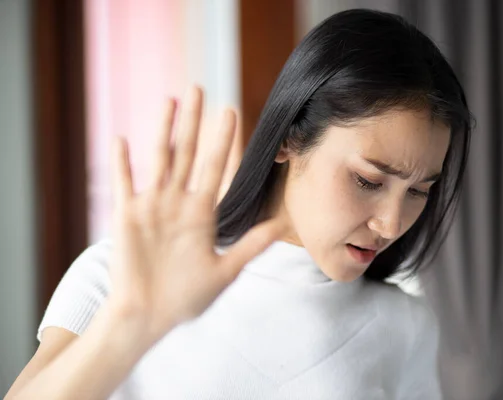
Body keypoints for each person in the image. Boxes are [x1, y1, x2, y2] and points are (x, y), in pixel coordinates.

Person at [6, 8, 471, 400]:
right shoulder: (121, 276)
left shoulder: (405, 326)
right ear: (289, 137)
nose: (391, 223)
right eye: (368, 180)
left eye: (417, 192)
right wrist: (133, 323)